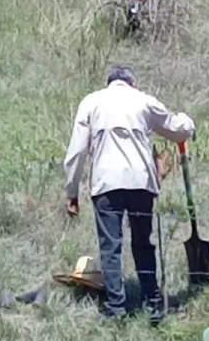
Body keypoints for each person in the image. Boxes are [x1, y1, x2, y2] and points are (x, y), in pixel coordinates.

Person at [63, 66, 195, 324]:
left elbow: (77, 152)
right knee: (143, 243)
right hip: (140, 182)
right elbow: (176, 128)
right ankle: (153, 302)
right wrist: (188, 121)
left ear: (109, 82)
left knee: (110, 246)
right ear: (131, 82)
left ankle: (116, 308)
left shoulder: (91, 102)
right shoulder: (143, 100)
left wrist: (72, 191)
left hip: (106, 184)